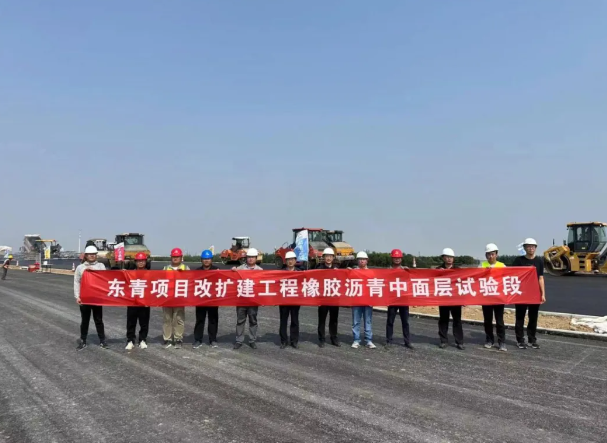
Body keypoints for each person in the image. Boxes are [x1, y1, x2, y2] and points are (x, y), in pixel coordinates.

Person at [513, 238, 546, 349]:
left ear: (535, 248)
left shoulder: (539, 261)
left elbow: (541, 278)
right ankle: (520, 340)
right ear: (524, 248)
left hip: (534, 293)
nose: (531, 248)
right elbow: (512, 276)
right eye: (528, 246)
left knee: (533, 317)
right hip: (521, 293)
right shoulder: (519, 261)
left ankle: (532, 339)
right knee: (520, 317)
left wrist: (543, 293)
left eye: (533, 246)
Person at [74, 246, 108, 350]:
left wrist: (94, 272)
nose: (92, 256)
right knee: (85, 320)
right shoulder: (80, 268)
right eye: (90, 254)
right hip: (85, 298)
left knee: (98, 320)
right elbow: (77, 282)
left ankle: (102, 340)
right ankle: (83, 340)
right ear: (86, 255)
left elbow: (105, 278)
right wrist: (77, 296)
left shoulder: (101, 266)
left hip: (97, 298)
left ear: (96, 255)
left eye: (94, 254)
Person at [232, 248, 263, 350]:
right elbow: (232, 278)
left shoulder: (260, 271)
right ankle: (239, 340)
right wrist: (233, 270)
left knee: (253, 321)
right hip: (241, 299)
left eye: (252, 257)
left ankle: (252, 340)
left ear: (256, 258)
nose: (250, 259)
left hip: (253, 301)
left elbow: (263, 286)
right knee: (240, 321)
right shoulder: (240, 268)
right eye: (249, 257)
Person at [480, 243, 507, 351]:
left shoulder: (502, 266)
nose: (491, 256)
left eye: (493, 254)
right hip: (486, 298)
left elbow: (507, 279)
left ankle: (502, 342)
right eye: (488, 254)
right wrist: (484, 272)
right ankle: (489, 340)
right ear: (486, 255)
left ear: (496, 254)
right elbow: (476, 279)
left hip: (498, 298)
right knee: (487, 320)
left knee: (499, 321)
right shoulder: (482, 266)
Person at [385, 249, 414, 349]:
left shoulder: (405, 270)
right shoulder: (387, 270)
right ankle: (389, 341)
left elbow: (412, 280)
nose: (397, 259)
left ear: (401, 259)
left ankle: (407, 341)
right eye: (395, 258)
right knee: (390, 321)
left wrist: (409, 272)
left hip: (403, 299)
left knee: (405, 321)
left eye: (398, 258)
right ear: (392, 258)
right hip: (393, 299)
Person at [437, 248, 464, 350]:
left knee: (457, 321)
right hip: (443, 299)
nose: (449, 259)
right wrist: (439, 273)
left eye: (451, 257)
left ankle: (459, 342)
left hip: (455, 300)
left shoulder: (458, 270)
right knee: (443, 320)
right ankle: (443, 340)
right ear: (443, 258)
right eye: (447, 257)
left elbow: (463, 283)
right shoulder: (438, 269)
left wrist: (464, 299)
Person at [162, 248, 190, 349]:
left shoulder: (185, 268)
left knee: (179, 319)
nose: (175, 258)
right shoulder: (166, 268)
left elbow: (191, 281)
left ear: (181, 257)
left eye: (177, 256)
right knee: (167, 319)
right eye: (173, 256)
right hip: (168, 297)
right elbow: (160, 280)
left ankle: (178, 338)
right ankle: (167, 338)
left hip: (179, 298)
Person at [193, 249, 220, 349]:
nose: (206, 260)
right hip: (201, 299)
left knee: (213, 320)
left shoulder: (217, 270)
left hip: (213, 300)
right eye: (204, 259)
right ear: (201, 260)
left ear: (211, 260)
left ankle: (213, 339)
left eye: (208, 259)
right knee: (200, 320)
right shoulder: (197, 271)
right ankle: (198, 339)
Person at [125, 252, 151, 350]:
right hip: (132, 301)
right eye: (138, 261)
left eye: (142, 261)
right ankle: (130, 340)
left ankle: (142, 339)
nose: (140, 262)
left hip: (145, 302)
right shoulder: (130, 273)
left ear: (145, 262)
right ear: (135, 262)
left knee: (144, 322)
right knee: (131, 322)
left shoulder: (150, 274)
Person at [351, 251, 376, 349]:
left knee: (368, 321)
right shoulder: (353, 271)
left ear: (367, 261)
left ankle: (368, 340)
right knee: (356, 321)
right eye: (360, 259)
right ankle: (356, 340)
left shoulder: (371, 272)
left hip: (368, 300)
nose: (362, 261)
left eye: (364, 259)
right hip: (356, 300)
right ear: (357, 261)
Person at [317, 248, 340, 347]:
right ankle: (321, 339)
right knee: (322, 320)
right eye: (327, 256)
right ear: (323, 257)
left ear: (333, 258)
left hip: (334, 298)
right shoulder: (319, 269)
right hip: (323, 298)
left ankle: (334, 337)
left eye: (330, 256)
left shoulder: (337, 269)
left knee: (334, 319)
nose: (328, 258)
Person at [279, 251, 302, 349]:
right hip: (283, 301)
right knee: (283, 321)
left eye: (292, 259)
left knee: (295, 320)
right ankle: (284, 341)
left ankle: (294, 341)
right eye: (288, 259)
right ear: (285, 261)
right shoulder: (280, 273)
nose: (290, 261)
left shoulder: (300, 272)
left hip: (295, 301)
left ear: (295, 261)